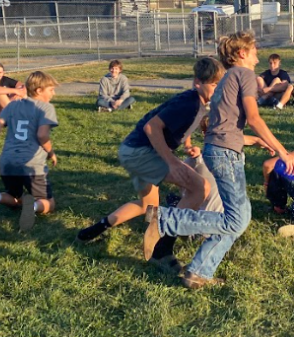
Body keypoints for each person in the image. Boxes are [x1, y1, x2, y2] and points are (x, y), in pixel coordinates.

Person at [143, 31, 294, 289]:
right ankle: (165, 219)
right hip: (225, 153)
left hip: (220, 150)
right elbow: (253, 118)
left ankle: (198, 272)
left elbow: (222, 121)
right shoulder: (245, 75)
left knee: (242, 216)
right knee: (235, 219)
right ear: (241, 54)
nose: (257, 56)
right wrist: (283, 151)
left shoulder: (227, 78)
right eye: (254, 51)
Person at [78, 57, 226, 274]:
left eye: (219, 84)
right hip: (141, 152)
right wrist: (172, 162)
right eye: (213, 84)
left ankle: (94, 230)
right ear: (197, 82)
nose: (217, 89)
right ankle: (163, 249)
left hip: (132, 150)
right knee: (199, 187)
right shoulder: (189, 103)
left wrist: (187, 144)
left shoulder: (199, 104)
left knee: (147, 206)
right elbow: (151, 128)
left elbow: (184, 126)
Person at [0, 71, 60, 233]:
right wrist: (51, 152)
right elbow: (42, 135)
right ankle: (34, 206)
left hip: (7, 163)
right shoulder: (46, 108)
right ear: (39, 90)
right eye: (50, 89)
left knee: (16, 197)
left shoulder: (13, 105)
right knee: (49, 202)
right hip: (31, 165)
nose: (53, 93)